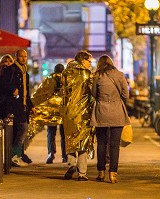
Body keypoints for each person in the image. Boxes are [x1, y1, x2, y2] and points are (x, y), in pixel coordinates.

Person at [90, 55, 130, 183]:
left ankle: (101, 172)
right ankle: (113, 174)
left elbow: (94, 94)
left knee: (101, 143)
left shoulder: (97, 75)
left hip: (101, 111)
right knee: (114, 145)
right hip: (117, 112)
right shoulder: (120, 75)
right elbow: (126, 94)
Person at [62, 50, 95, 181]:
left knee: (70, 139)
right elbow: (93, 93)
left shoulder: (66, 72)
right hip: (83, 113)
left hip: (68, 112)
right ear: (83, 60)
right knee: (83, 142)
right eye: (89, 61)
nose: (90, 64)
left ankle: (71, 164)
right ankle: (82, 173)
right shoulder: (86, 74)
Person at [0, 49, 35, 167]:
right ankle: (15, 156)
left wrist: (31, 106)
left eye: (25, 56)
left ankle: (15, 156)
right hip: (14, 106)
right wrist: (12, 90)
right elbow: (3, 84)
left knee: (19, 131)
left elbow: (26, 91)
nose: (24, 58)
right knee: (23, 129)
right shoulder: (12, 70)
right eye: (21, 56)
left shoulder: (25, 72)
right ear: (16, 57)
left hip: (22, 106)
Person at [31, 64, 67, 164]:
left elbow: (42, 93)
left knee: (51, 133)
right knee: (64, 134)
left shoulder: (49, 79)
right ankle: (65, 155)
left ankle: (51, 153)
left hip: (51, 112)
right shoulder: (66, 80)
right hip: (63, 111)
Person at [0, 54, 14, 121]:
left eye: (10, 61)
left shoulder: (14, 74)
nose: (8, 63)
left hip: (10, 104)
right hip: (0, 104)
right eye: (6, 61)